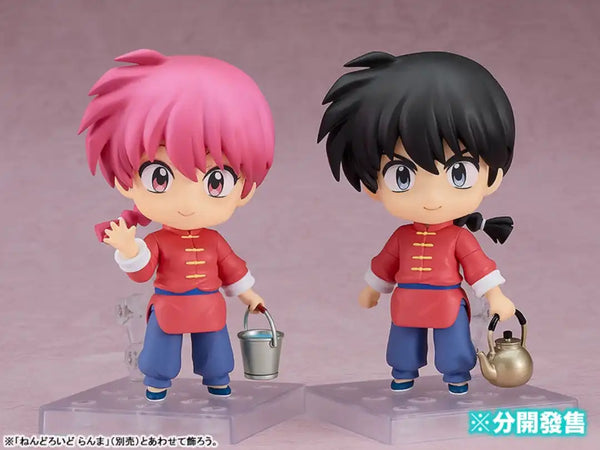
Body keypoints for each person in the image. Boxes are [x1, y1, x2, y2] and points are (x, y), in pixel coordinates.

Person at [79, 49, 274, 401]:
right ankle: (157, 382)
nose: (187, 203)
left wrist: (249, 295)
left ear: (245, 189)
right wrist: (129, 249)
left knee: (216, 352)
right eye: (160, 176)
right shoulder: (157, 241)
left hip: (209, 308)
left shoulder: (214, 241)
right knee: (161, 353)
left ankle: (217, 380)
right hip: (169, 307)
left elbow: (231, 269)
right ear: (126, 181)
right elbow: (143, 272)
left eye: (216, 181)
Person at [318, 51, 516, 394]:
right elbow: (385, 264)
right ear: (373, 186)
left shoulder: (459, 238)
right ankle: (403, 373)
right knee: (403, 343)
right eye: (402, 175)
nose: (432, 197)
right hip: (407, 302)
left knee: (453, 344)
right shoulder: (401, 236)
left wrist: (495, 295)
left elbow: (478, 268)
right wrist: (373, 288)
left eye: (458, 173)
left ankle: (457, 376)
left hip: (447, 301)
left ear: (493, 176)